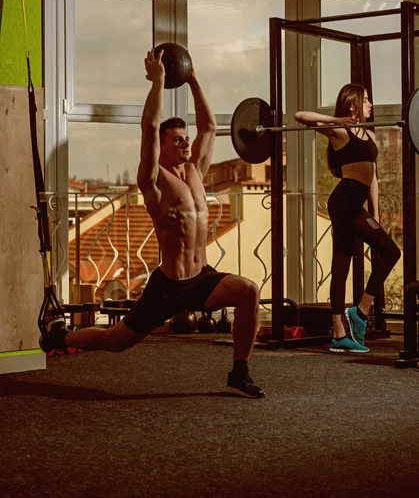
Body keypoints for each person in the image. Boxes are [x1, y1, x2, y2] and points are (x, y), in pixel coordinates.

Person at [42, 48, 265, 399]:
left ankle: (239, 372)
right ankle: (60, 337)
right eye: (177, 139)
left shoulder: (196, 173)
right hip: (169, 285)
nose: (186, 142)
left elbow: (210, 127)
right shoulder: (153, 180)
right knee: (116, 342)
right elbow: (148, 126)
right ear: (161, 147)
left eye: (185, 138)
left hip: (201, 276)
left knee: (249, 291)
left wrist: (192, 78)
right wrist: (159, 82)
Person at [294, 83, 401, 353]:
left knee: (345, 261)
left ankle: (341, 333)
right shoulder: (339, 131)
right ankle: (357, 314)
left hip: (357, 206)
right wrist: (336, 119)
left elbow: (373, 177)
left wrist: (376, 213)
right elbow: (300, 116)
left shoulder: (370, 136)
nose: (370, 105)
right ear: (353, 103)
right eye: (366, 100)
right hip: (344, 204)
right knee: (387, 252)